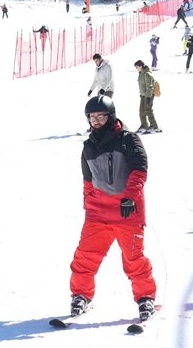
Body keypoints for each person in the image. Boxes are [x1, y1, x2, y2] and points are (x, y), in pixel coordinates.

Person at [66, 95, 156, 321]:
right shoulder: (88, 146)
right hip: (98, 213)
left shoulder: (128, 139)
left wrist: (130, 198)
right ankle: (80, 295)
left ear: (111, 116)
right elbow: (88, 180)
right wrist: (88, 205)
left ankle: (145, 298)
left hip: (127, 211)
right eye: (92, 117)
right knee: (85, 257)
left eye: (101, 116)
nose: (96, 121)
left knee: (133, 259)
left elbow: (139, 170)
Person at [134, 60, 161, 134]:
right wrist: (142, 94)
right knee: (141, 111)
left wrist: (148, 97)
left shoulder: (147, 74)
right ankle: (144, 125)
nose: (136, 68)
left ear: (141, 66)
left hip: (149, 95)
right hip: (143, 95)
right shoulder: (141, 73)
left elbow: (150, 87)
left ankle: (154, 127)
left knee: (148, 110)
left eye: (137, 67)